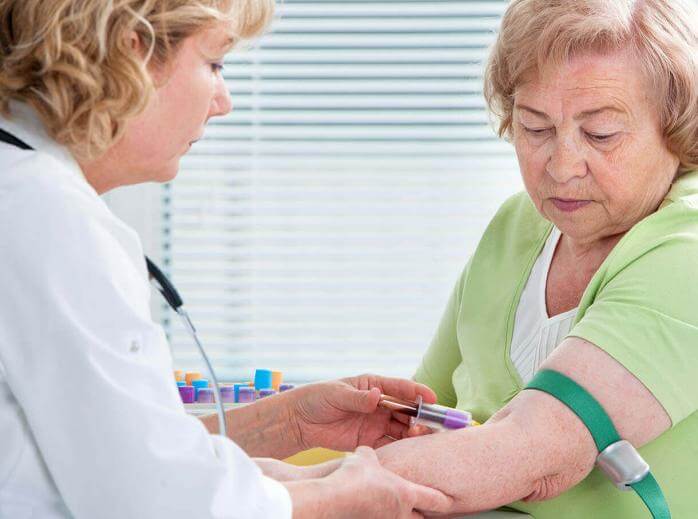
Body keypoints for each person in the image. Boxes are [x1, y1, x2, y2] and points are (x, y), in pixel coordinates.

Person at [0, 1, 452, 517]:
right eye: (215, 63)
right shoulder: (49, 221)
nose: (224, 101)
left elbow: (113, 449)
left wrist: (291, 426)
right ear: (134, 50)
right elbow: (157, 503)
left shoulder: (26, 193)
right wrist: (334, 502)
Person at [373, 0, 698, 518]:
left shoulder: (689, 249)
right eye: (535, 127)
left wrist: (278, 494)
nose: (563, 167)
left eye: (601, 134)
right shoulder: (515, 226)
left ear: (677, 126)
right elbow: (414, 411)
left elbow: (527, 453)